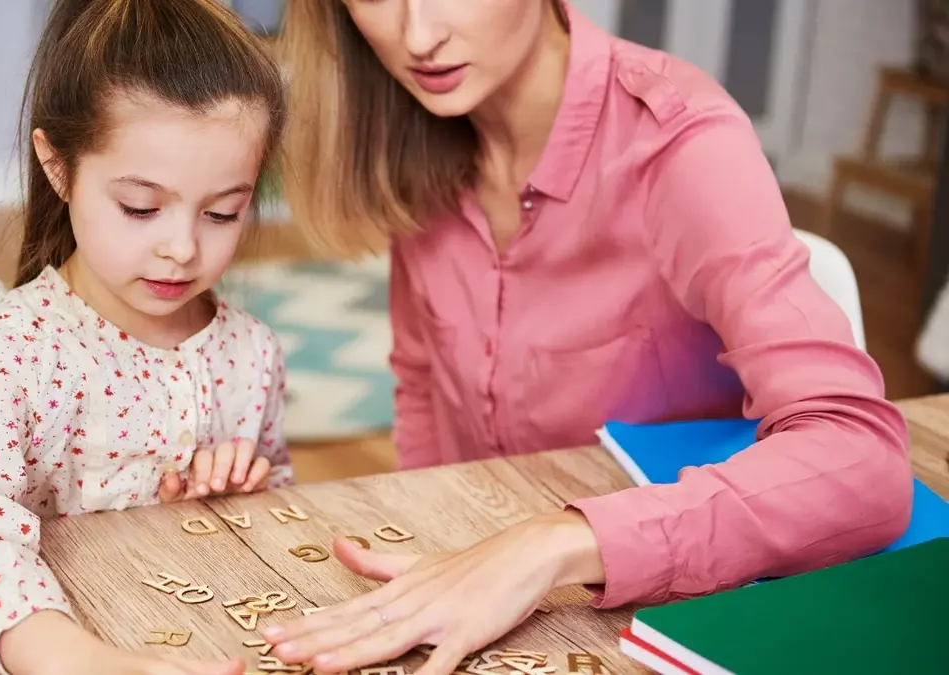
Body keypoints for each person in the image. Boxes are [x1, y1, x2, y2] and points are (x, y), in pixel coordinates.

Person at [264, 0, 914, 673]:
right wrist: (437, 551)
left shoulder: (681, 143)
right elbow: (425, 386)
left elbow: (863, 458)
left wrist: (554, 542)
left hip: (670, 619)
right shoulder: (415, 132)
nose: (419, 36)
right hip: (495, 610)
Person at [0, 1, 290, 673]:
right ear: (58, 165)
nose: (182, 248)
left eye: (224, 212)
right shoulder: (9, 352)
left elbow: (278, 512)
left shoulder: (249, 352)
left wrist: (243, 494)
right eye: (140, 207)